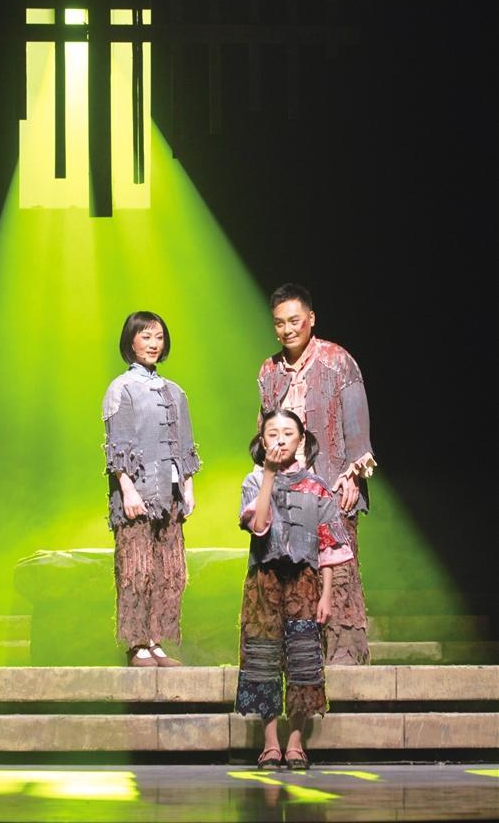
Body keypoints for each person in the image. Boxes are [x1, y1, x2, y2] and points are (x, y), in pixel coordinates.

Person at [257, 282, 376, 665]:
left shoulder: (337, 360)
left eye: (294, 321)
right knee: (293, 574)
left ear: (310, 319)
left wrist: (354, 475)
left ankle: (344, 654)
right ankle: (301, 655)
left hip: (332, 482)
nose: (287, 329)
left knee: (337, 569)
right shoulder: (269, 370)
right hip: (287, 488)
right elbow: (264, 428)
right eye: (280, 323)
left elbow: (356, 424)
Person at [235, 407, 354, 769]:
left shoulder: (317, 486)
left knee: (304, 660)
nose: (281, 440)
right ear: (262, 441)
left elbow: (328, 546)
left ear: (301, 439)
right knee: (263, 659)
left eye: (288, 433)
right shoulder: (253, 481)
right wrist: (269, 474)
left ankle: (296, 743)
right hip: (265, 580)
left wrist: (326, 595)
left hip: (305, 581)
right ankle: (271, 743)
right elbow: (258, 526)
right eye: (273, 434)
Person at [102, 311, 200, 667]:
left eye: (158, 336)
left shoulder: (175, 391)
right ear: (131, 341)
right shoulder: (122, 388)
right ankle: (136, 644)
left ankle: (156, 641)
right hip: (138, 492)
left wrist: (188, 487)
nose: (153, 343)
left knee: (168, 569)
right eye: (146, 336)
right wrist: (127, 489)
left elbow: (184, 444)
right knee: (136, 568)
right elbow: (117, 446)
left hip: (169, 494)